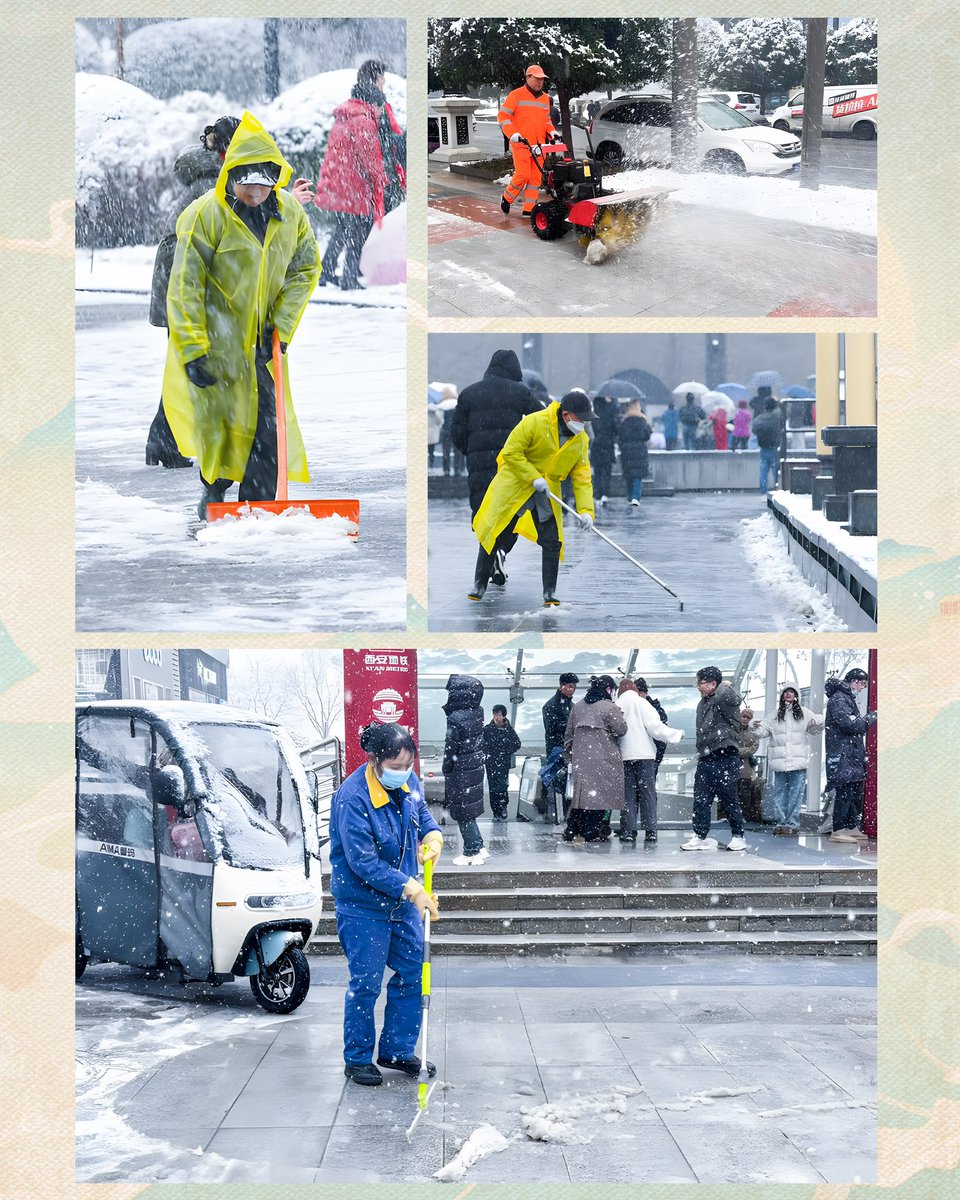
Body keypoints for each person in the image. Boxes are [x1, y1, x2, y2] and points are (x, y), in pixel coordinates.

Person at [162, 111, 320, 521]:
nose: (255, 191)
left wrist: (281, 328)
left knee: (268, 431)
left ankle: (259, 510)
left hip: (263, 346)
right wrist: (194, 349)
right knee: (223, 432)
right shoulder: (204, 216)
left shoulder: (291, 216)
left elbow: (305, 269)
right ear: (230, 175)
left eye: (264, 182)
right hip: (219, 345)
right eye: (246, 182)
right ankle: (214, 492)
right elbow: (185, 287)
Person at [329, 723, 443, 1087]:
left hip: (402, 903)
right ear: (375, 760)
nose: (404, 770)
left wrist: (433, 836)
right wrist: (410, 887)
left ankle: (396, 1049)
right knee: (366, 983)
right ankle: (358, 1058)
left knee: (413, 973)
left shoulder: (408, 784)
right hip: (363, 906)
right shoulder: (353, 798)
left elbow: (422, 816)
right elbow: (362, 861)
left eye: (408, 762)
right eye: (396, 764)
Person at [146, 116, 241, 470]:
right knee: (190, 361)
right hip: (182, 282)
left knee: (186, 361)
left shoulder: (211, 179)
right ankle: (165, 440)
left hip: (178, 278)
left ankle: (162, 439)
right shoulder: (211, 185)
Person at [469, 390, 595, 606]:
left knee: (552, 540)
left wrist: (586, 511)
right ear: (566, 416)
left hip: (546, 494)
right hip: (515, 486)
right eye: (581, 418)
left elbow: (582, 478)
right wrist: (533, 476)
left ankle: (549, 593)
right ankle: (479, 584)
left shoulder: (580, 440)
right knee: (496, 531)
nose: (584, 424)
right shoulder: (534, 422)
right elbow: (511, 452)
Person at [305, 59, 405, 291]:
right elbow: (370, 157)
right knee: (357, 233)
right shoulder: (363, 120)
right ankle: (349, 278)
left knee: (343, 230)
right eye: (381, 109)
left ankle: (327, 270)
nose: (382, 113)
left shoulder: (348, 113)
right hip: (354, 185)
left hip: (342, 183)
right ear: (374, 103)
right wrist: (381, 177)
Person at [450, 349, 542, 520]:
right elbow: (542, 421)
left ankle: (487, 544)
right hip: (509, 461)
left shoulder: (469, 393)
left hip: (478, 462)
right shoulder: (519, 392)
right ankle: (502, 542)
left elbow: (456, 432)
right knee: (507, 511)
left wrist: (471, 449)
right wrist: (526, 450)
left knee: (483, 510)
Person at [682, 666, 749, 852]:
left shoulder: (724, 698)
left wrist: (723, 686)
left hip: (725, 756)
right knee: (701, 799)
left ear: (713, 684)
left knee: (728, 797)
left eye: (701, 683)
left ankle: (738, 835)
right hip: (706, 757)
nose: (698, 687)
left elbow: (733, 697)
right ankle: (700, 835)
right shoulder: (702, 703)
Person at [616, 678, 682, 845]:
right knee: (648, 795)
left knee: (628, 796)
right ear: (635, 690)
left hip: (624, 757)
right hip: (645, 757)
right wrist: (676, 735)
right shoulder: (642, 703)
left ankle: (628, 831)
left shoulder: (616, 705)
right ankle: (650, 831)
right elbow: (656, 728)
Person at [562, 675, 627, 842]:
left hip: (581, 759)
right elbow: (621, 730)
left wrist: (568, 757)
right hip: (603, 758)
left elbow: (568, 735)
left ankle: (572, 829)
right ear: (609, 689)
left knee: (580, 797)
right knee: (599, 797)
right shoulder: (609, 707)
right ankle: (592, 831)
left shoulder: (577, 707)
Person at [751, 687, 823, 835]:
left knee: (795, 795)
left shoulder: (804, 713)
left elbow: (816, 727)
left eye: (792, 692)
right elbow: (762, 732)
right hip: (780, 763)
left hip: (798, 762)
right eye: (786, 691)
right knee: (780, 794)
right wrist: (754, 726)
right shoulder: (775, 715)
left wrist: (817, 720)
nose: (788, 694)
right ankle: (782, 822)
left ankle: (792, 824)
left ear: (796, 695)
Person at [497, 64, 559, 216]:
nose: (540, 82)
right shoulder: (516, 95)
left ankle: (529, 210)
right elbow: (503, 117)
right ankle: (506, 197)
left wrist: (553, 132)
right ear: (528, 77)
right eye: (537, 79)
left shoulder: (545, 98)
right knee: (523, 175)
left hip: (539, 146)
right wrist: (512, 133)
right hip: (521, 144)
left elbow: (546, 121)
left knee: (535, 180)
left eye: (542, 80)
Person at [824, 669, 877, 842]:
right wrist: (870, 718)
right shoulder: (840, 699)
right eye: (862, 684)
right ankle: (839, 829)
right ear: (854, 681)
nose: (862, 688)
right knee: (845, 790)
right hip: (843, 754)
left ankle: (850, 825)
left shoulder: (846, 698)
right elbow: (851, 725)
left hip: (849, 754)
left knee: (853, 790)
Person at [442, 674, 488, 864]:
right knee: (470, 808)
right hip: (474, 767)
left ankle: (471, 852)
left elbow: (451, 746)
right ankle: (479, 845)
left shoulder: (455, 717)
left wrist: (446, 767)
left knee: (463, 811)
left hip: (461, 770)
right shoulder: (478, 712)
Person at [483, 704, 521, 820]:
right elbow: (481, 744)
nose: (497, 717)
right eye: (495, 714)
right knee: (493, 788)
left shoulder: (508, 730)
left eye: (499, 715)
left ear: (504, 716)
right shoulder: (487, 730)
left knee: (503, 786)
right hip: (491, 764)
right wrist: (488, 754)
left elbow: (517, 743)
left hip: (503, 764)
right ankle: (496, 811)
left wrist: (506, 752)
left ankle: (503, 808)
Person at [618, 400, 651, 505]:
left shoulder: (624, 422)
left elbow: (621, 437)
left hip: (627, 451)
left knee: (629, 475)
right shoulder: (642, 421)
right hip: (639, 451)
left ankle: (630, 495)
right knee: (637, 476)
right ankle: (635, 497)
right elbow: (647, 436)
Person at [636, 679, 670, 777]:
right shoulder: (655, 709)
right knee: (647, 787)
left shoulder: (651, 709)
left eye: (640, 693)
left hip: (646, 757)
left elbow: (661, 738)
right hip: (647, 757)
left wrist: (656, 760)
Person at [589, 395, 619, 505]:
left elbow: (593, 431)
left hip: (597, 447)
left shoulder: (593, 416)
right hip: (608, 446)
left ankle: (597, 495)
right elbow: (616, 430)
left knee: (597, 473)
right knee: (606, 472)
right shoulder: (610, 415)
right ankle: (605, 494)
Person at [543, 673, 578, 755]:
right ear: (562, 685)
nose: (572, 690)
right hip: (557, 749)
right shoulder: (551, 706)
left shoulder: (571, 705)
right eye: (570, 686)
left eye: (574, 687)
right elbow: (552, 729)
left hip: (565, 748)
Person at [753, 396, 782, 493]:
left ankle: (763, 490)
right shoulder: (778, 418)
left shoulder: (759, 419)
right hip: (775, 447)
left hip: (763, 448)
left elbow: (754, 430)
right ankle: (777, 488)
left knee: (763, 472)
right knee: (775, 471)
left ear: (765, 407)